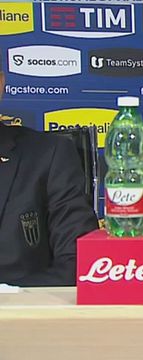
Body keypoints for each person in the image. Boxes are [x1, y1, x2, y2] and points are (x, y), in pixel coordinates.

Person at [0, 71, 99, 286]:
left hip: (20, 304)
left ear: (0, 83)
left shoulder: (49, 154)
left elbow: (77, 263)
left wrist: (10, 296)